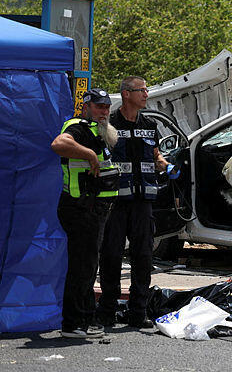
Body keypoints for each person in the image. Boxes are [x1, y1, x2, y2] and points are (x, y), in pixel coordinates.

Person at [97, 76, 179, 328]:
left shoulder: (150, 125)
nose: (146, 94)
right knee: (111, 256)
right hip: (115, 202)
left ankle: (138, 312)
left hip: (143, 202)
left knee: (143, 257)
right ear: (126, 94)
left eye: (146, 90)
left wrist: (166, 165)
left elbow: (155, 154)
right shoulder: (109, 124)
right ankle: (107, 312)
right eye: (141, 90)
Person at [51, 89, 120, 338]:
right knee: (82, 267)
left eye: (106, 107)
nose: (103, 111)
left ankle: (85, 320)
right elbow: (58, 144)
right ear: (86, 106)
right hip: (81, 209)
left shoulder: (99, 131)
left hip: (96, 209)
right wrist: (88, 154)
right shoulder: (78, 126)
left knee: (89, 267)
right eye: (99, 107)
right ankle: (73, 324)